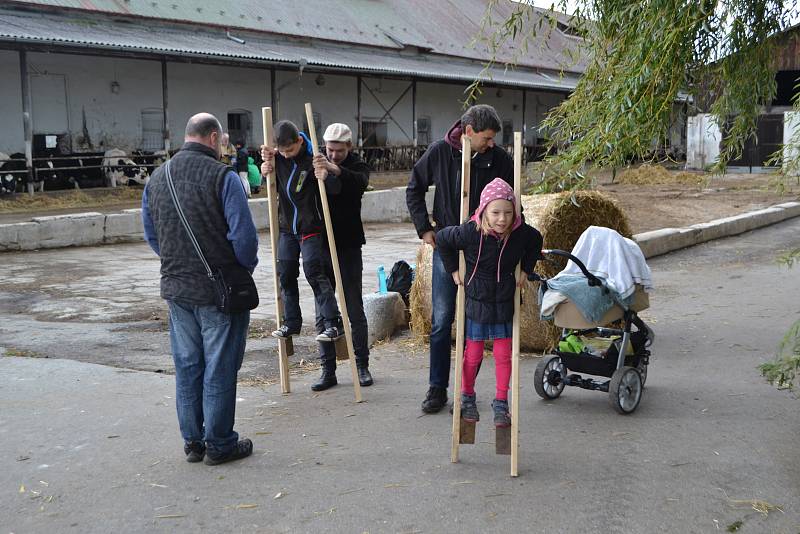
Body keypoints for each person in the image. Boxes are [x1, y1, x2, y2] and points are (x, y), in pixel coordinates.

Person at [141, 112, 258, 465]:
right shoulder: (223, 178)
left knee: (188, 365)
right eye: (222, 142)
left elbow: (151, 233)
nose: (224, 149)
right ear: (211, 138)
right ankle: (220, 444)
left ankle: (193, 442)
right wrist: (240, 271)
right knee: (219, 366)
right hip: (218, 291)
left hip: (176, 289)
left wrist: (178, 261)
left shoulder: (157, 178)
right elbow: (244, 239)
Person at [406, 104, 514, 413]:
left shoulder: (499, 159)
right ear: (468, 132)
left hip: (483, 251)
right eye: (486, 137)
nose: (491, 143)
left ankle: (466, 391)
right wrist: (424, 229)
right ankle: (437, 388)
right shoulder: (441, 152)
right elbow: (414, 187)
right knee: (442, 321)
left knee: (474, 324)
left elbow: (511, 203)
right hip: (447, 246)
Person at [436, 178, 542, 426]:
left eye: (508, 212)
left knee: (504, 355)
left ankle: (501, 401)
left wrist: (526, 269)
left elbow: (537, 241)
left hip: (504, 300)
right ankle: (467, 396)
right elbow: (442, 239)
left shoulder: (520, 233)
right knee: (472, 355)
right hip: (477, 300)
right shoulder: (470, 232)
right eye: (495, 212)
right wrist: (453, 270)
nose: (502, 219)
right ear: (484, 211)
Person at [260, 121, 345, 390]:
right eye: (281, 151)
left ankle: (333, 323)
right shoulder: (277, 159)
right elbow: (271, 179)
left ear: (298, 140)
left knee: (314, 272)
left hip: (311, 228)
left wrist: (326, 175)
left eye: (289, 149)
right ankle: (292, 323)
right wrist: (265, 170)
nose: (286, 155)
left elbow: (335, 191)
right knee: (284, 271)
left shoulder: (313, 159)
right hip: (287, 229)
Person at [311, 123, 373, 389]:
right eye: (329, 150)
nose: (333, 154)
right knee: (323, 309)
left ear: (349, 147)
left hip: (348, 244)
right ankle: (328, 370)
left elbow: (359, 183)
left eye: (338, 150)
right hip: (320, 243)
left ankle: (361, 365)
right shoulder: (315, 163)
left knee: (353, 307)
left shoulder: (357, 166)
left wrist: (333, 169)